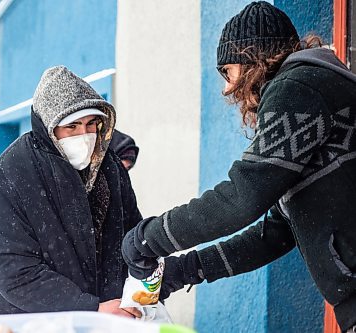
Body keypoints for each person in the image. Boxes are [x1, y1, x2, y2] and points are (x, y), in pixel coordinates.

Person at [121, 2, 356, 331]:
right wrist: (187, 269)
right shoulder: (310, 91)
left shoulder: (298, 88)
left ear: (253, 59)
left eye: (228, 72)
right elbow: (276, 231)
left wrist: (150, 238)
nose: (227, 88)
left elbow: (241, 197)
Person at [0, 65, 142, 318]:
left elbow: (131, 235)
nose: (84, 135)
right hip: (26, 322)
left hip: (108, 317)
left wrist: (141, 286)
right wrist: (90, 309)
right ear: (49, 127)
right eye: (72, 127)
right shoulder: (12, 173)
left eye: (91, 124)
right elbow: (15, 272)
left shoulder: (108, 167)